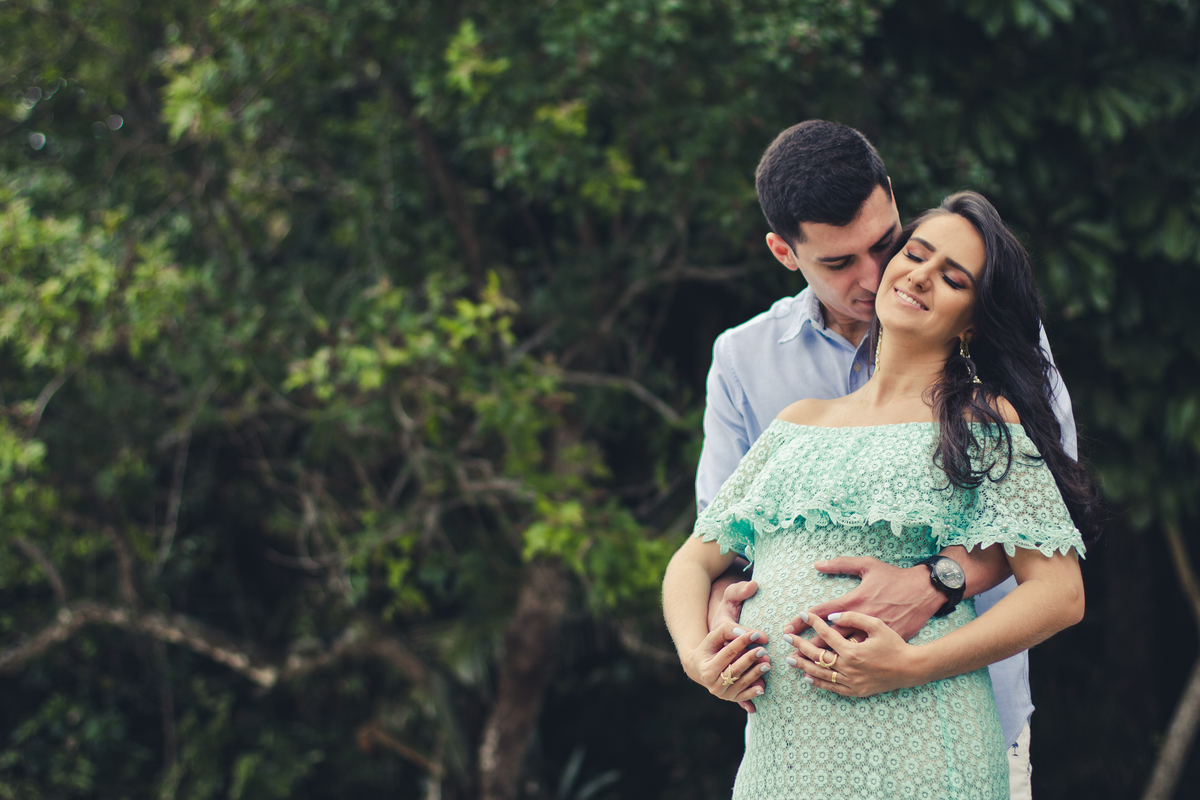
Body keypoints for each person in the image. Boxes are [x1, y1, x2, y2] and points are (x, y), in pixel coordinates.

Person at [662, 190, 1096, 799]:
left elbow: (1060, 593)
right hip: (785, 760)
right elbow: (694, 560)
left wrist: (912, 664)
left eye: (952, 277)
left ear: (973, 319)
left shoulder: (983, 422)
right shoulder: (799, 420)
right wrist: (697, 656)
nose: (920, 275)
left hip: (923, 749)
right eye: (915, 254)